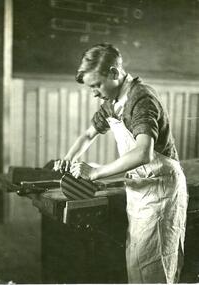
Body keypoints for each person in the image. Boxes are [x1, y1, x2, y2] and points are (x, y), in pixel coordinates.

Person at [54, 43, 188, 283]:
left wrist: (96, 173)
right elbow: (87, 135)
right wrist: (68, 159)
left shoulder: (142, 98)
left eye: (96, 85)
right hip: (140, 189)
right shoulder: (112, 103)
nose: (94, 92)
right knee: (138, 264)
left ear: (115, 73)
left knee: (156, 267)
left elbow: (143, 154)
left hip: (161, 189)